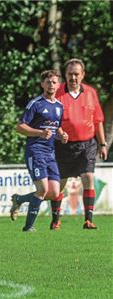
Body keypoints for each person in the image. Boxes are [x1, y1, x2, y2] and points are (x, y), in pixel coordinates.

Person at [51, 58, 108, 230]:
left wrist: (103, 143)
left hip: (87, 144)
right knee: (59, 184)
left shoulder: (91, 93)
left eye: (76, 74)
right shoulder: (57, 93)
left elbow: (98, 120)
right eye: (70, 74)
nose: (73, 77)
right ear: (65, 75)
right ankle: (55, 220)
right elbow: (50, 120)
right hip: (63, 146)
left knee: (88, 178)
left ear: (83, 75)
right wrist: (59, 133)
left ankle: (88, 220)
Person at [10, 70, 68, 232]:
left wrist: (62, 135)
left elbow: (57, 128)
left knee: (55, 192)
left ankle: (19, 199)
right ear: (42, 84)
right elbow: (20, 127)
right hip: (35, 151)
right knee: (42, 190)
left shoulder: (59, 106)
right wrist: (39, 133)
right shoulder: (35, 103)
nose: (51, 85)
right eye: (48, 82)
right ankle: (28, 227)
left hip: (50, 153)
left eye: (54, 82)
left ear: (58, 85)